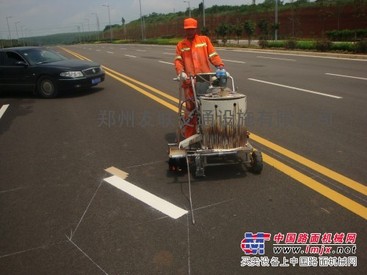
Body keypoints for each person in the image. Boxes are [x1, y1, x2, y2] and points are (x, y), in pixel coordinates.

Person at [174, 17, 227, 138]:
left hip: (204, 80)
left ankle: (211, 134)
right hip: (189, 82)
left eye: (192, 29)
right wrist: (181, 72)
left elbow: (213, 54)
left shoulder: (204, 41)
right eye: (188, 29)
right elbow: (178, 60)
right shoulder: (181, 45)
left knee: (208, 107)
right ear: (185, 30)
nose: (190, 32)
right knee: (191, 110)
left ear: (196, 29)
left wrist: (220, 66)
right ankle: (190, 137)